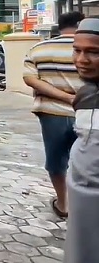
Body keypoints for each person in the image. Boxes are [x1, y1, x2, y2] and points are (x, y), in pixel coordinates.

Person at [23, 10, 85, 218]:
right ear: (81, 25)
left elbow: (30, 79)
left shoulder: (38, 49)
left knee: (56, 159)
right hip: (89, 113)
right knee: (89, 160)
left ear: (59, 26)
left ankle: (64, 204)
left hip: (51, 113)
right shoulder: (91, 47)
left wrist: (64, 97)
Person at [65, 17, 99, 263]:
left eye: (93, 52)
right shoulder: (88, 93)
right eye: (77, 50)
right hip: (82, 205)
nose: (81, 60)